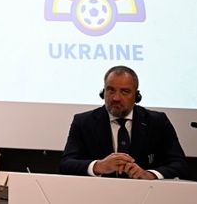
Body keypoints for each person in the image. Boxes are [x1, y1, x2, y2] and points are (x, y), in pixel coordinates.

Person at [59, 65, 188, 179]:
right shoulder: (83, 122)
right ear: (103, 93)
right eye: (111, 90)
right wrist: (98, 166)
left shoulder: (157, 122)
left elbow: (180, 164)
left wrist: (150, 174)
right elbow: (66, 164)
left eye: (125, 91)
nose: (116, 98)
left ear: (137, 96)